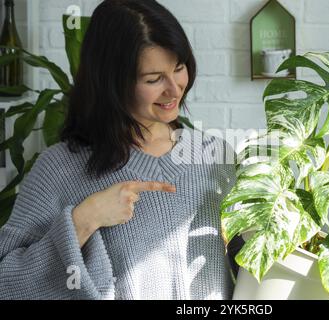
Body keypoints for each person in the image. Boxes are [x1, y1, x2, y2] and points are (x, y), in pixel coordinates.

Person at [0, 0, 238, 300]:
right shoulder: (59, 169)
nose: (175, 89)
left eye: (179, 68)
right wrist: (83, 220)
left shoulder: (215, 155)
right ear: (111, 82)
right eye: (153, 79)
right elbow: (6, 284)